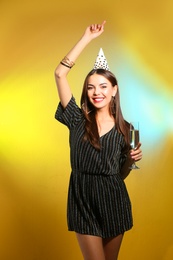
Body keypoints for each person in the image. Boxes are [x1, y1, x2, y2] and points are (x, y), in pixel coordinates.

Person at [54, 21, 142, 260]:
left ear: (114, 90)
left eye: (103, 86)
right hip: (82, 198)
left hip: (114, 200)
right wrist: (87, 38)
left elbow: (122, 174)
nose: (97, 92)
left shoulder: (129, 130)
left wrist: (130, 160)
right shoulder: (76, 119)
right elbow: (59, 74)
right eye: (91, 87)